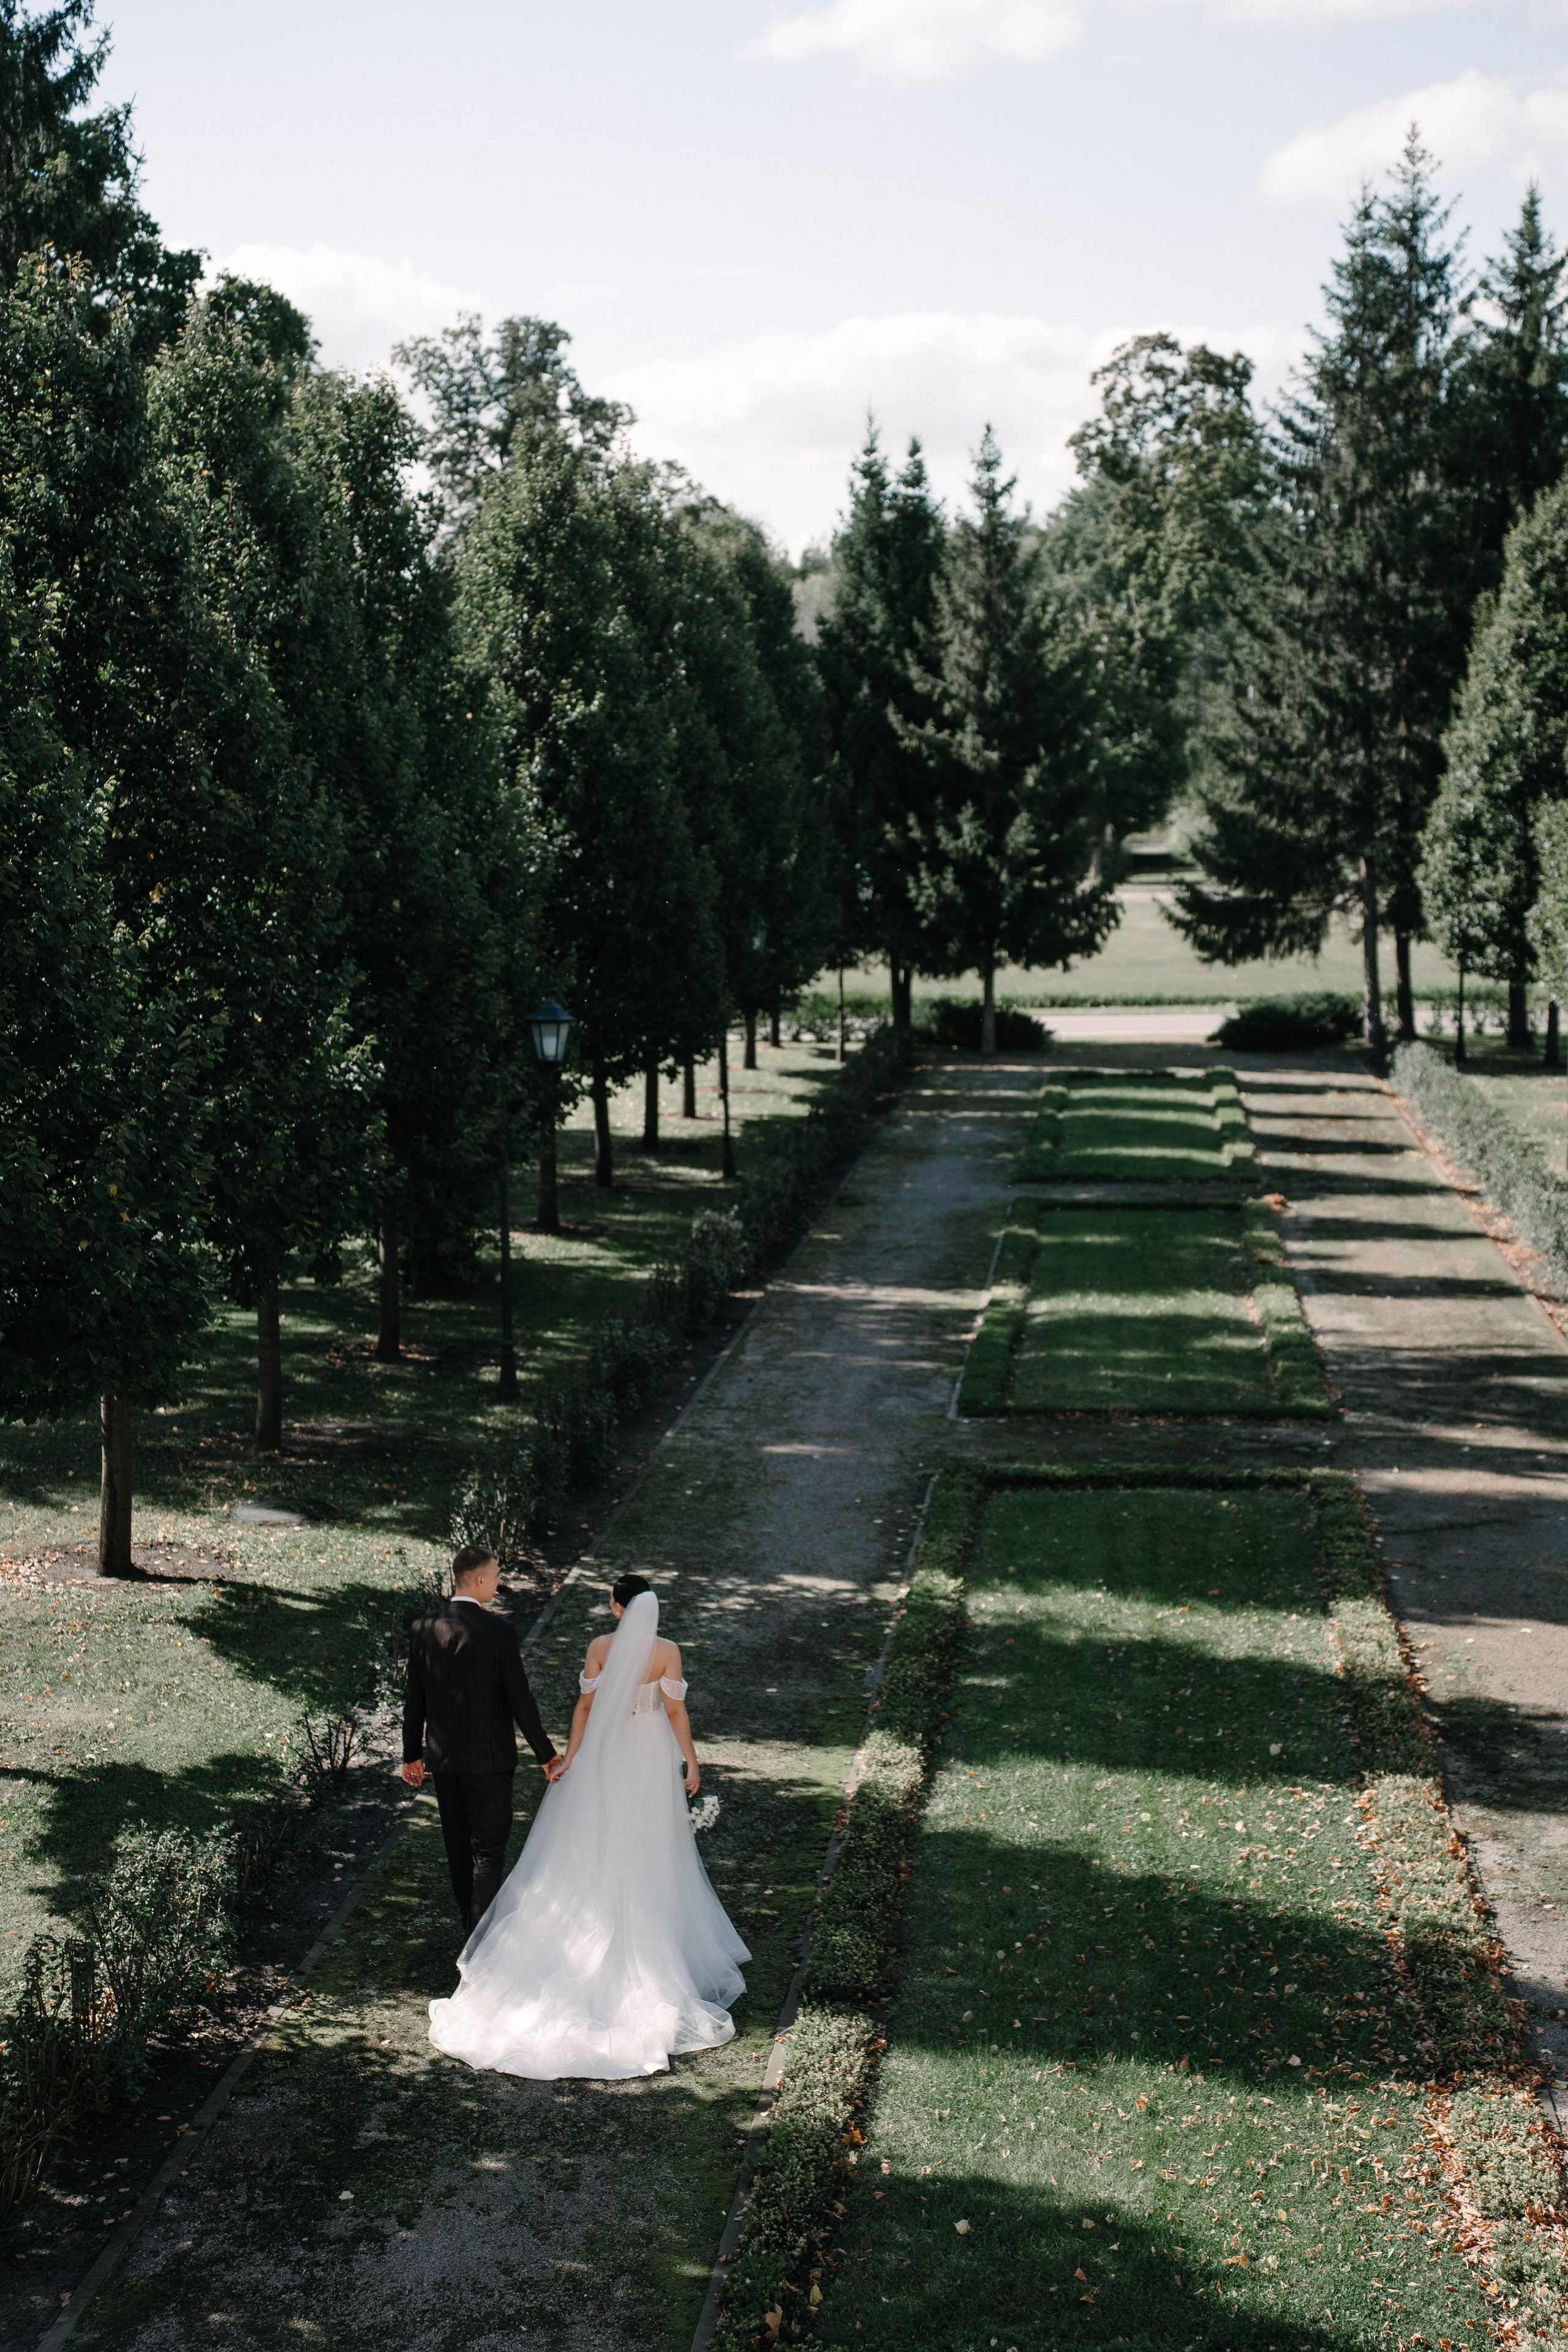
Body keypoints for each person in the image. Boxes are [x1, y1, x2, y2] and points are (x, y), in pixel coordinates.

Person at [427, 1572, 748, 2079]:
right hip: (647, 1753)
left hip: (606, 1752)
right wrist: (691, 1762)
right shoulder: (667, 1651)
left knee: (594, 1838)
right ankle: (652, 1940)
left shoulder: (600, 1645)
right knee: (648, 1844)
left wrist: (570, 1758)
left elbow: (584, 1707)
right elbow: (676, 1710)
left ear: (617, 1607)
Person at [401, 1544, 564, 1933]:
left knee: (459, 1851)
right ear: (477, 1580)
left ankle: (472, 1934)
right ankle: (480, 1942)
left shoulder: (423, 1630)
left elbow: (414, 1700)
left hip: (444, 1762)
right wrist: (547, 1754)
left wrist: (412, 1755)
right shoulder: (499, 1632)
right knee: (488, 1852)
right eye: (495, 1576)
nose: (498, 1582)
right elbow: (519, 1699)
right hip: (490, 1762)